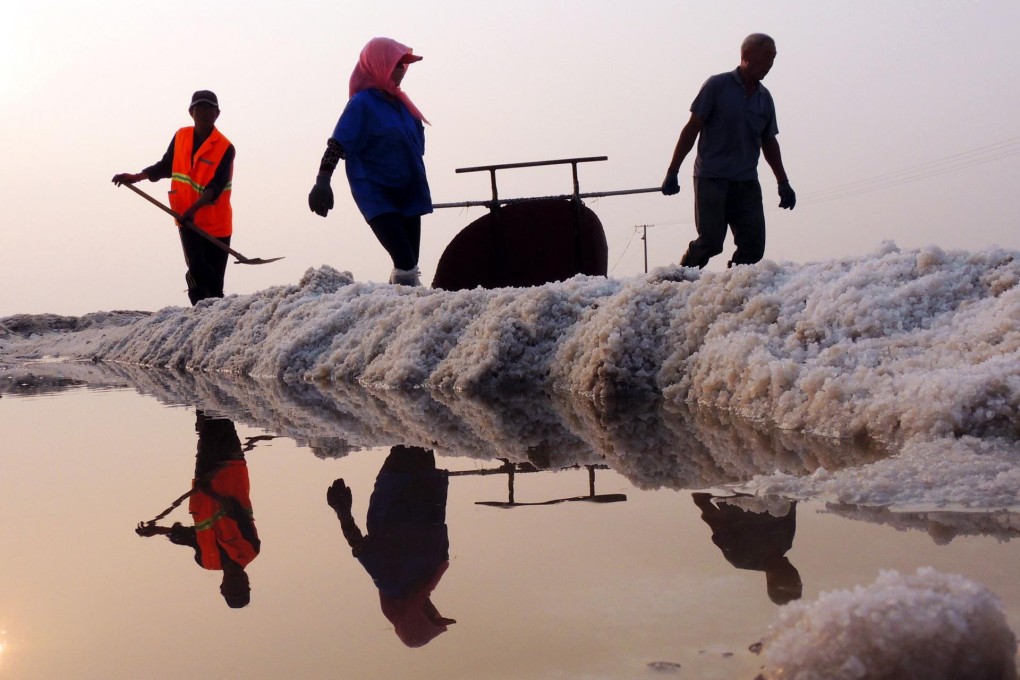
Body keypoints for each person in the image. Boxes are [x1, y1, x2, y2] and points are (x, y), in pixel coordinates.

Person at [661, 33, 796, 269]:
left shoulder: (765, 98)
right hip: (712, 178)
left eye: (774, 58)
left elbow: (769, 142)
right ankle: (680, 279)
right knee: (711, 242)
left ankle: (734, 285)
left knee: (753, 247)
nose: (770, 64)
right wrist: (673, 171)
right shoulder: (717, 86)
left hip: (746, 182)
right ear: (746, 55)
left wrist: (783, 182)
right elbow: (692, 128)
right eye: (766, 56)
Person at [308, 37, 432, 287]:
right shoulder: (362, 104)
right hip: (378, 194)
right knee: (405, 259)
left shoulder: (404, 106)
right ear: (379, 65)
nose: (401, 70)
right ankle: (411, 302)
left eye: (403, 65)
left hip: (410, 193)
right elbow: (337, 143)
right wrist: (323, 180)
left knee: (409, 263)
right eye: (396, 64)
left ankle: (396, 303)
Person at [112, 90, 235, 305]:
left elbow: (215, 187)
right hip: (187, 220)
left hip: (216, 223)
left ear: (218, 114)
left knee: (215, 284)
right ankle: (198, 312)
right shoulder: (181, 137)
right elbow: (166, 165)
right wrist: (137, 177)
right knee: (197, 269)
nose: (204, 112)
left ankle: (215, 314)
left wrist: (194, 209)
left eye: (209, 108)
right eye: (200, 107)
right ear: (191, 112)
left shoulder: (226, 148)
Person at [327, 446, 456, 647]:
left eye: (431, 616)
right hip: (424, 484)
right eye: (436, 615)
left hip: (396, 486)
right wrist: (434, 485)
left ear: (414, 617)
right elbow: (438, 523)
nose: (434, 610)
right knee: (427, 434)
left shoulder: (392, 584)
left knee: (408, 435)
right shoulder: (430, 577)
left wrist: (343, 513)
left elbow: (361, 548)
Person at [136, 411, 260, 608]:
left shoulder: (206, 561)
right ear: (248, 583)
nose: (239, 581)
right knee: (221, 416)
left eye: (234, 587)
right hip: (230, 467)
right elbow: (236, 511)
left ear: (222, 588)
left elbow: (188, 537)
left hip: (205, 474)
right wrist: (212, 493)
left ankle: (202, 402)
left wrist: (157, 530)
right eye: (243, 586)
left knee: (208, 423)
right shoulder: (249, 550)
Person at [692, 492, 802, 605]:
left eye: (789, 581)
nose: (794, 575)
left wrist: (703, 494)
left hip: (734, 488)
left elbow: (712, 516)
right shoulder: (785, 543)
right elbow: (791, 498)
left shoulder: (740, 558)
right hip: (761, 487)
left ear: (770, 581)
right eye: (797, 581)